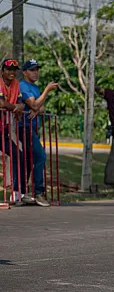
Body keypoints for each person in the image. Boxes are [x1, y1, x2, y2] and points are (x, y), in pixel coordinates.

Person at [18, 59, 58, 206]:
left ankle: (22, 193)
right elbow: (34, 104)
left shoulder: (35, 87)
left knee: (30, 160)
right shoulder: (23, 85)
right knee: (40, 156)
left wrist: (37, 108)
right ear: (25, 72)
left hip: (34, 127)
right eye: (32, 70)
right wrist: (47, 90)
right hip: (25, 127)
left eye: (37, 70)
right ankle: (39, 192)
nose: (36, 73)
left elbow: (41, 108)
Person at [0, 59, 31, 204]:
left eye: (14, 70)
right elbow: (1, 103)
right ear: (2, 72)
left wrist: (17, 107)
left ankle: (18, 193)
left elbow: (20, 103)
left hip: (3, 131)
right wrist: (15, 108)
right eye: (8, 70)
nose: (12, 72)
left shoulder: (16, 85)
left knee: (18, 155)